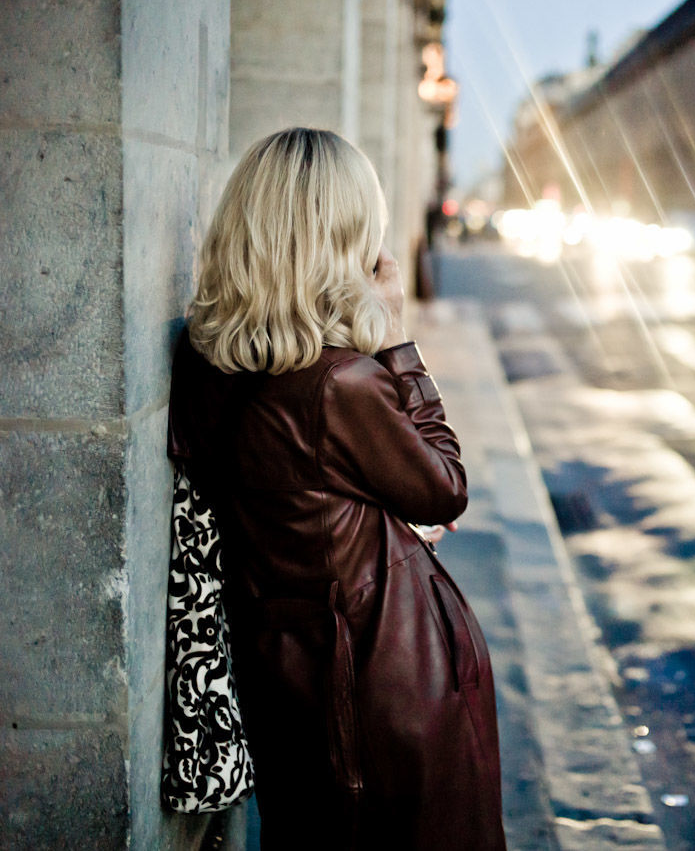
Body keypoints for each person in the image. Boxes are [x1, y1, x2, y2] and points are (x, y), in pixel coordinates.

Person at [167, 128, 506, 849]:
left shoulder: (211, 363)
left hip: (290, 681)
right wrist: (395, 340)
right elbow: (444, 486)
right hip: (380, 690)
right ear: (344, 239)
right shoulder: (340, 381)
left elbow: (304, 489)